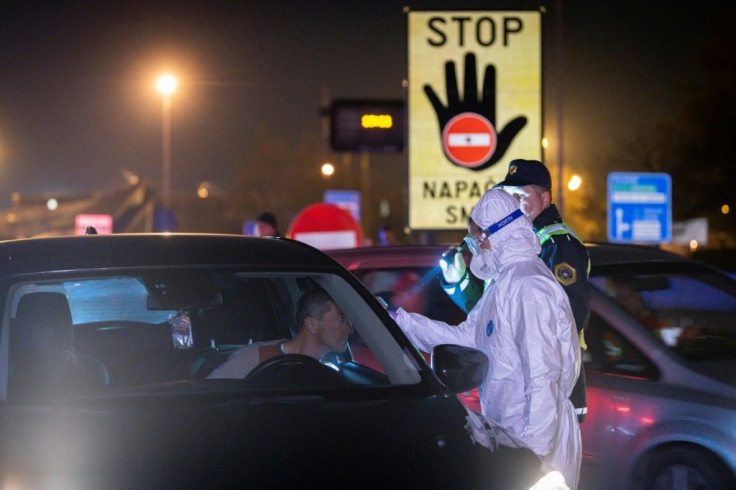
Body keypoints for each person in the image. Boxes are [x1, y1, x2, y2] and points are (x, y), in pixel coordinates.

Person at [393, 189, 581, 487]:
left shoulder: (528, 286)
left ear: (496, 233)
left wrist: (531, 459)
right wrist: (398, 322)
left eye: (476, 240)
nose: (475, 248)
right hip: (513, 440)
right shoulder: (505, 284)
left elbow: (543, 377)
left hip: (534, 449)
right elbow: (464, 339)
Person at [441, 158, 591, 423]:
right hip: (515, 384)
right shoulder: (508, 244)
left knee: (544, 462)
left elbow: (570, 314)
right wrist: (460, 282)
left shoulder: (557, 243)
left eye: (522, 195)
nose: (514, 201)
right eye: (510, 195)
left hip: (553, 389)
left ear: (544, 199)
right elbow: (490, 315)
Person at [207, 287, 353, 379]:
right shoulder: (256, 357)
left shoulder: (329, 372)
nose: (350, 329)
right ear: (312, 325)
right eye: (341, 319)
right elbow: (211, 395)